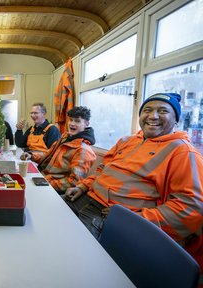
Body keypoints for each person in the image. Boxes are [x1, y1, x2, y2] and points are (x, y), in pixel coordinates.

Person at [63, 93, 203, 271]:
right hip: (86, 198)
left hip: (112, 217)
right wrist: (82, 186)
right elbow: (101, 170)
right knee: (45, 218)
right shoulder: (126, 141)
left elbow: (191, 207)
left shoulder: (183, 152)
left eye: (162, 111)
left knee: (70, 255)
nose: (153, 116)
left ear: (176, 119)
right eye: (147, 110)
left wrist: (136, 219)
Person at [22, 106, 96, 194]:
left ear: (86, 124)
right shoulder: (65, 138)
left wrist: (47, 183)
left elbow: (73, 182)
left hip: (53, 189)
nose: (72, 123)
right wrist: (31, 155)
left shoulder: (83, 150)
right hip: (43, 177)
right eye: (71, 120)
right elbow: (48, 154)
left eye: (77, 121)